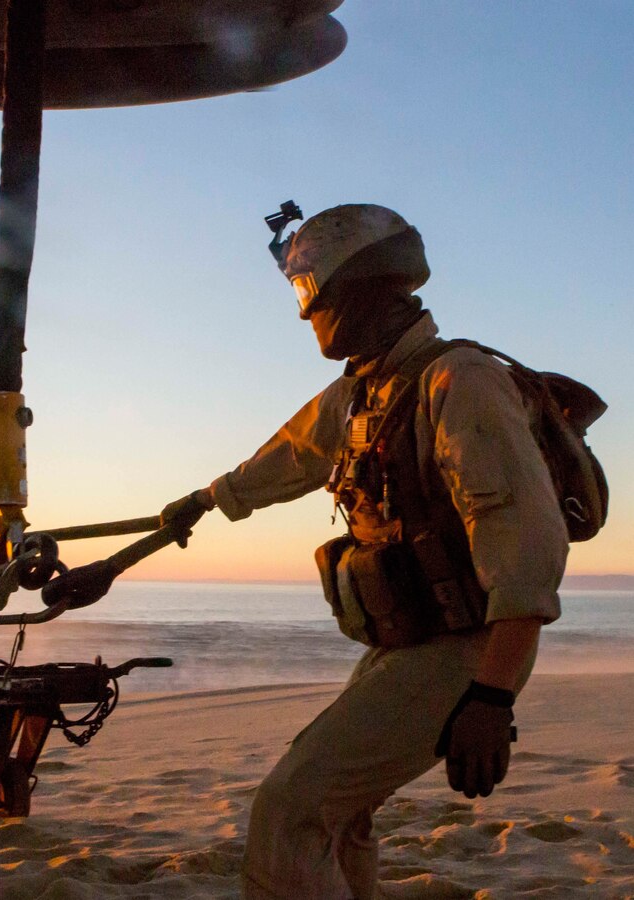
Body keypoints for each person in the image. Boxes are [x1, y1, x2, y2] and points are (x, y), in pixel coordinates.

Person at [160, 202, 568, 900]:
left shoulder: (458, 379)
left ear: (354, 289)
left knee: (289, 810)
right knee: (339, 813)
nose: (305, 312)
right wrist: (205, 500)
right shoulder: (363, 391)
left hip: (466, 649)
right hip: (409, 642)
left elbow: (524, 543)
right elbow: (292, 454)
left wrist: (492, 696)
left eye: (309, 290)